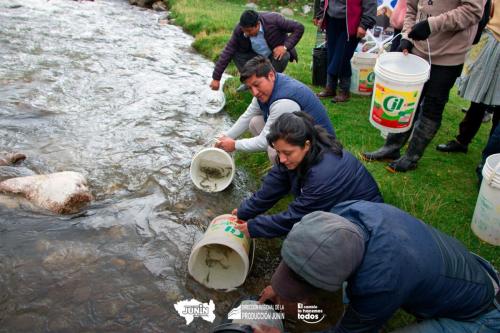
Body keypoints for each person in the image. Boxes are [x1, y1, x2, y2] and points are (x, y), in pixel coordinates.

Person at [256, 200, 500, 333]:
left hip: (482, 314)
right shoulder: (344, 215)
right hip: (458, 269)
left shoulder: (380, 283)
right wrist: (280, 288)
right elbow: (307, 249)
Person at [361, 0, 484, 172]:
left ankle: (412, 157)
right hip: (418, 48)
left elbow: (473, 11)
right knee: (407, 100)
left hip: (448, 54)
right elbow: (411, 7)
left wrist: (431, 25)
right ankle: (391, 148)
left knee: (432, 106)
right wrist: (407, 35)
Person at [231, 112, 383, 239]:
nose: (282, 159)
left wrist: (253, 228)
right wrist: (245, 211)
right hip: (337, 208)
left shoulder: (323, 176)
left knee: (303, 243)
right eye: (278, 152)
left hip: (364, 222)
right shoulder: (306, 151)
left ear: (306, 145)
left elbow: (296, 218)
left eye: (287, 153)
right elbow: (274, 183)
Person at [215, 56, 336, 162]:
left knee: (274, 148)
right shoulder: (270, 85)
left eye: (257, 85)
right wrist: (224, 138)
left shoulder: (283, 102)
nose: (254, 92)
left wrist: (235, 145)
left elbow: (264, 141)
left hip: (321, 150)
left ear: (271, 75)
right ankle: (283, 165)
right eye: (250, 88)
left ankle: (287, 173)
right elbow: (247, 117)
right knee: (254, 122)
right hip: (302, 137)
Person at [436, 0, 499, 154]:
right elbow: (487, 11)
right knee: (478, 97)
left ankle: (493, 154)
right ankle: (462, 141)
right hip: (492, 40)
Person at [209, 9, 304, 91]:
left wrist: (284, 47)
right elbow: (227, 51)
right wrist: (216, 78)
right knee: (235, 53)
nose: (246, 33)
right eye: (244, 30)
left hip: (274, 55)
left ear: (257, 24)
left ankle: (271, 83)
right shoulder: (239, 30)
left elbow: (299, 27)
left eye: (249, 31)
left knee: (284, 55)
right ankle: (250, 81)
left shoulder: (274, 20)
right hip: (256, 56)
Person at [314, 0, 377, 103]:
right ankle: (330, 88)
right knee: (332, 54)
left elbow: (370, 4)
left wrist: (364, 24)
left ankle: (344, 91)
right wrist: (321, 15)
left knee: (342, 57)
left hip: (351, 23)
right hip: (331, 19)